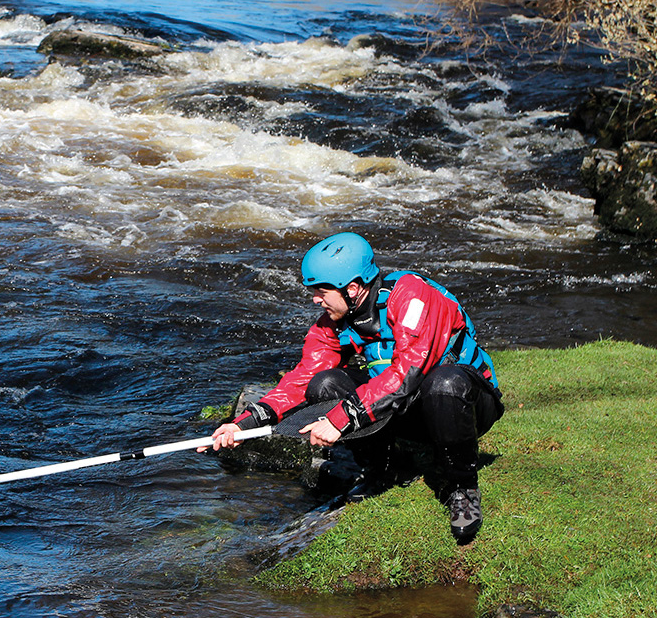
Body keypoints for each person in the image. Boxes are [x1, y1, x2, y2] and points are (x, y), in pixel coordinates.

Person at [208, 233, 504, 544]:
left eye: (321, 292)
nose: (315, 300)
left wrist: (342, 417)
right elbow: (302, 377)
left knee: (445, 383)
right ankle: (383, 470)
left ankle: (462, 487)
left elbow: (407, 374)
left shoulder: (413, 297)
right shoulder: (334, 321)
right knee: (324, 384)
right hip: (406, 409)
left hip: (465, 404)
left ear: (351, 289)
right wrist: (245, 424)